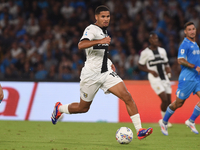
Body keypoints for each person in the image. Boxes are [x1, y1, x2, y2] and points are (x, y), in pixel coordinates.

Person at [51, 5, 153, 140]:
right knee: (83, 108)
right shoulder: (91, 29)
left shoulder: (104, 31)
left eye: (108, 16)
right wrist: (101, 41)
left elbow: (99, 53)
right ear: (96, 17)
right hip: (90, 75)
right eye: (103, 16)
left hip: (105, 74)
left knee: (127, 96)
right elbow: (81, 45)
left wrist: (109, 62)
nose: (106, 19)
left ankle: (139, 130)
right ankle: (60, 109)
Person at [160, 22, 200, 135]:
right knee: (178, 103)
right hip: (187, 78)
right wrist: (195, 67)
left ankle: (191, 121)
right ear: (185, 32)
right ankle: (164, 122)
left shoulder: (195, 44)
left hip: (196, 78)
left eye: (193, 29)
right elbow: (180, 60)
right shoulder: (185, 44)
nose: (192, 31)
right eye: (189, 29)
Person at [138, 32, 172, 127]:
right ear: (149, 40)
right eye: (153, 39)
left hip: (164, 77)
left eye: (156, 39)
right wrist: (150, 71)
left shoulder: (162, 51)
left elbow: (166, 63)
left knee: (169, 101)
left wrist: (168, 69)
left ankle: (165, 120)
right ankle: (163, 121)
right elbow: (140, 65)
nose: (155, 41)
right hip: (155, 78)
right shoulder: (145, 53)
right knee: (164, 99)